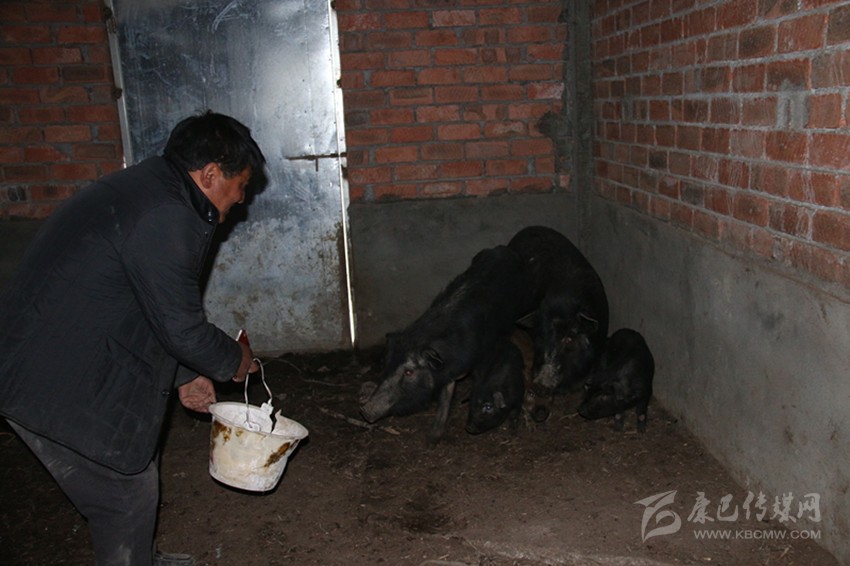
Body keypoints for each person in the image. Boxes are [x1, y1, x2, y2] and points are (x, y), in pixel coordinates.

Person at [0, 111, 267, 565]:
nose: (242, 198)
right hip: (49, 376)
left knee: (132, 458)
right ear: (210, 174)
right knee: (123, 494)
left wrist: (184, 375)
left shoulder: (150, 189)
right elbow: (182, 328)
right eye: (240, 184)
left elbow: (150, 303)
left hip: (54, 354)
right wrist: (236, 360)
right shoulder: (166, 215)